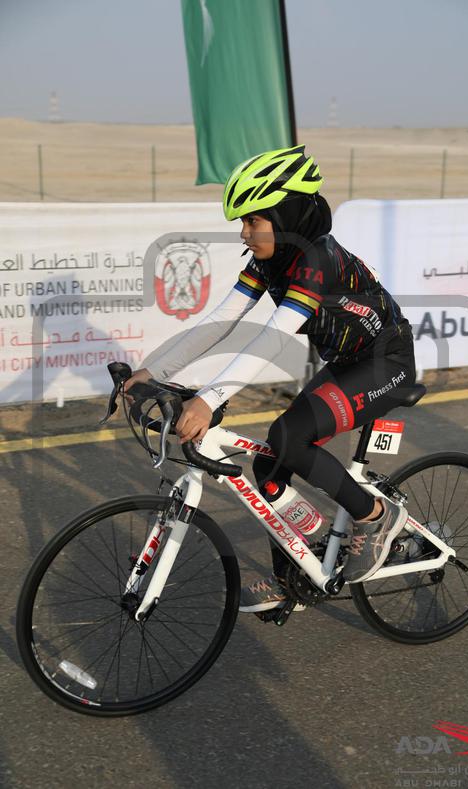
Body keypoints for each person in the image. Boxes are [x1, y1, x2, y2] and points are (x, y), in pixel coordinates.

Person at [125, 144, 416, 613]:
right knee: (269, 464)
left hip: (387, 363)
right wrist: (152, 371)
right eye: (243, 222)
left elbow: (272, 338)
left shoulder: (316, 261)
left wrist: (208, 398)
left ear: (286, 217)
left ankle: (377, 516)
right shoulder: (272, 258)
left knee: (289, 438)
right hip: (347, 363)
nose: (244, 233)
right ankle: (298, 573)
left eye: (254, 220)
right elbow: (220, 323)